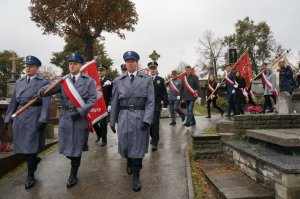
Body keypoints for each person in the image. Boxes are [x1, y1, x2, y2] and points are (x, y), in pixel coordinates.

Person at [38, 53, 97, 188]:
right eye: (70, 63)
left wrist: (80, 112)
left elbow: (92, 100)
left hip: (79, 118)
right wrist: (42, 90)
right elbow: (50, 89)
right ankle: (73, 162)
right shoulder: (63, 80)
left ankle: (73, 174)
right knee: (65, 146)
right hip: (65, 117)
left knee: (76, 147)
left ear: (80, 66)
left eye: (75, 63)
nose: (72, 65)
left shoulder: (89, 81)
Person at [3, 55, 51, 189]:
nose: (28, 68)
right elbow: (13, 102)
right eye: (26, 66)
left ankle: (30, 176)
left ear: (37, 68)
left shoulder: (44, 82)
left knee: (30, 147)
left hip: (34, 116)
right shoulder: (19, 82)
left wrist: (43, 119)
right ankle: (34, 160)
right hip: (20, 117)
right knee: (20, 148)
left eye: (31, 66)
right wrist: (7, 119)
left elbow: (47, 103)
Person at [110, 51, 154, 192]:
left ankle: (136, 175)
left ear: (136, 63)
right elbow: (115, 101)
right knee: (127, 145)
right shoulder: (118, 80)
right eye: (127, 61)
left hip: (140, 116)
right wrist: (112, 120)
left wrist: (147, 119)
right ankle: (129, 160)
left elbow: (151, 102)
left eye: (132, 61)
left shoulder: (146, 79)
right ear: (125, 63)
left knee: (139, 147)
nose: (130, 63)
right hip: (124, 116)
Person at [148, 61, 168, 151]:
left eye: (154, 68)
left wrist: (165, 105)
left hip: (156, 104)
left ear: (156, 69)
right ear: (149, 69)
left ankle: (155, 142)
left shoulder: (160, 80)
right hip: (147, 104)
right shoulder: (145, 79)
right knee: (148, 124)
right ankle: (153, 137)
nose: (152, 70)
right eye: (151, 68)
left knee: (155, 123)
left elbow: (164, 93)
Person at [93, 65, 112, 146]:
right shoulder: (94, 80)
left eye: (102, 70)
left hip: (105, 104)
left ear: (105, 71)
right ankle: (99, 134)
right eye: (99, 70)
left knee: (103, 123)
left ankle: (104, 140)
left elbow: (112, 94)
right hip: (95, 104)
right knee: (94, 122)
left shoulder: (109, 81)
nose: (100, 72)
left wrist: (110, 104)